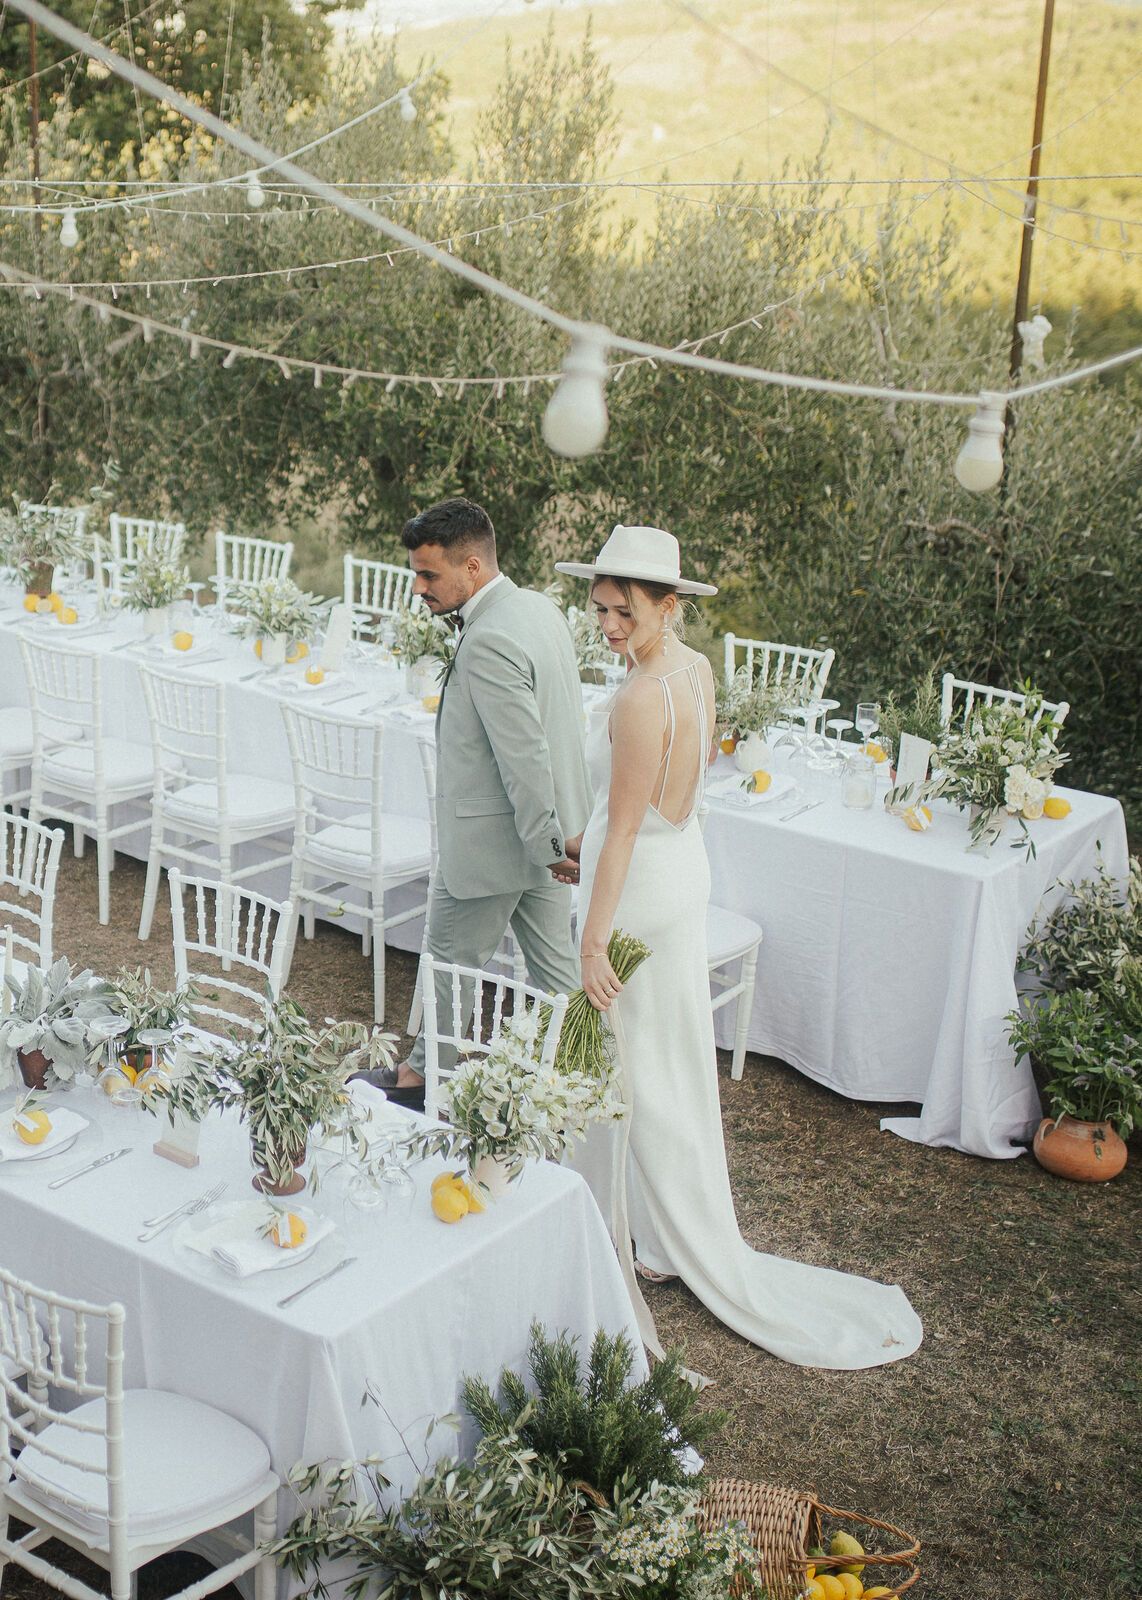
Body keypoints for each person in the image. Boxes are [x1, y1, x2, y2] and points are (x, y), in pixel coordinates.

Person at [554, 524, 923, 1369]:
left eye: (623, 612)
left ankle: (662, 1237)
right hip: (681, 871)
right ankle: (661, 1234)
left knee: (635, 1068)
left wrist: (594, 939)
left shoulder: (643, 695)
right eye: (600, 610)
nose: (607, 626)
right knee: (671, 1061)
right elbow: (655, 811)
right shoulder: (695, 667)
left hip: (639, 891)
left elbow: (620, 837)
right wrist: (592, 850)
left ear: (667, 605)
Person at [369, 497, 591, 1110]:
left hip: (503, 845)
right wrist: (556, 840)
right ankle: (582, 1083)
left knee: (447, 971)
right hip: (543, 839)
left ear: (472, 568)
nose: (417, 587)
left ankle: (417, 1087)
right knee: (557, 982)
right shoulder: (539, 609)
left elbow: (525, 757)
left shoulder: (490, 638)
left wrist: (549, 845)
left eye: (428, 574)